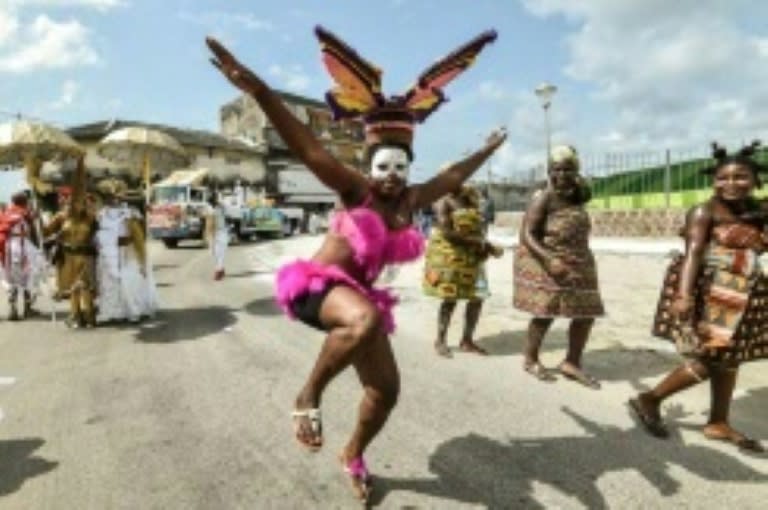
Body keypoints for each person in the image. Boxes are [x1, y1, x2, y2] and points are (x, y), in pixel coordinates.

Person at [208, 25, 504, 502]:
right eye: (382, 167)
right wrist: (260, 91)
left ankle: (353, 455)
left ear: (409, 168)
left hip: (356, 307)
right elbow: (309, 148)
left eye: (400, 168)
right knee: (363, 319)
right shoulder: (354, 189)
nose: (390, 177)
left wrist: (487, 151)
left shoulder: (411, 201)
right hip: (317, 291)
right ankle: (308, 396)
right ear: (369, 166)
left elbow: (450, 178)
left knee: (385, 392)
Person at [630, 141, 768, 453]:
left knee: (731, 359)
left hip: (748, 290)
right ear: (713, 181)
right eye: (723, 178)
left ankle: (718, 421)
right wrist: (684, 296)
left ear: (756, 180)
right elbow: (692, 253)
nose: (730, 184)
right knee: (711, 358)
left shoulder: (759, 210)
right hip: (713, 292)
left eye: (740, 177)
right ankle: (649, 399)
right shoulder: (705, 211)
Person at [513, 145, 604, 388]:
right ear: (549, 171)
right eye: (556, 169)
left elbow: (583, 201)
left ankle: (572, 362)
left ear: (576, 171)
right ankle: (530, 359)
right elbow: (527, 234)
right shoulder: (544, 197)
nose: (562, 174)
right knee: (546, 312)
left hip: (580, 261)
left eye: (568, 169)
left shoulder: (578, 195)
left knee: (586, 314)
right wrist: (549, 260)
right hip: (550, 260)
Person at [423, 185, 503, 357]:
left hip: (473, 257)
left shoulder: (470, 198)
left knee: (478, 297)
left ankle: (467, 340)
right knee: (450, 298)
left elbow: (478, 227)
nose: (455, 181)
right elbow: (446, 232)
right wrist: (477, 243)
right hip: (452, 256)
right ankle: (441, 340)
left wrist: (484, 245)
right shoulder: (443, 201)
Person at [44, 157, 99, 328]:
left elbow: (99, 234)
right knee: (71, 288)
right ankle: (75, 316)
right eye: (70, 200)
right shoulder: (61, 217)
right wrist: (36, 223)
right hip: (67, 257)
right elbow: (45, 232)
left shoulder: (91, 217)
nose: (74, 203)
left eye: (78, 200)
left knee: (85, 287)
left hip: (86, 256)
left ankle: (90, 315)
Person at [94, 179, 156, 323]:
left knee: (129, 281)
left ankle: (133, 310)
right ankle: (112, 313)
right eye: (108, 197)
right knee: (109, 283)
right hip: (107, 254)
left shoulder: (130, 213)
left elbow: (139, 234)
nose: (111, 200)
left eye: (114, 196)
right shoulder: (101, 215)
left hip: (126, 253)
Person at [0, 190, 45, 320]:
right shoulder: (24, 213)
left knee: (12, 278)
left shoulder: (6, 213)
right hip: (22, 247)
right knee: (29, 276)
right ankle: (27, 308)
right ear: (24, 202)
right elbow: (34, 227)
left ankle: (13, 307)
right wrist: (37, 213)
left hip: (7, 248)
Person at [206, 193, 229, 280]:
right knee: (213, 253)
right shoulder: (208, 208)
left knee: (221, 252)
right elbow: (208, 222)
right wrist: (207, 234)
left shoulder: (221, 207)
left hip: (222, 231)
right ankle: (221, 268)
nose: (211, 203)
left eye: (212, 201)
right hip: (212, 233)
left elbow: (227, 215)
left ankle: (218, 271)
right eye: (209, 201)